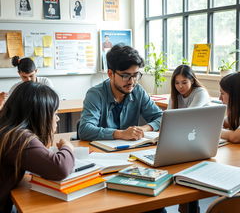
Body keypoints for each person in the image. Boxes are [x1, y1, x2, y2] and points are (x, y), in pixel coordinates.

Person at [0, 82, 74, 213]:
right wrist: (67, 147)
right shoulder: (18, 138)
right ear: (40, 115)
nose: (57, 119)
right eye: (54, 113)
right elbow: (60, 168)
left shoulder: (6, 127)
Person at [78, 44, 162, 141]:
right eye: (125, 76)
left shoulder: (138, 91)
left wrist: (142, 129)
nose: (131, 81)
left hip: (131, 151)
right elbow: (85, 130)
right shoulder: (95, 94)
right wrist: (121, 134)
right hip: (103, 153)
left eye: (135, 75)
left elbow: (161, 118)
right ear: (110, 74)